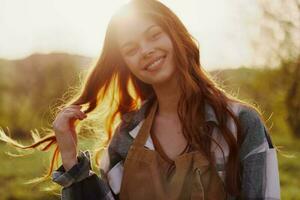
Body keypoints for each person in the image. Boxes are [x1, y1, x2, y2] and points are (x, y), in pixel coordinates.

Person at [1, 0, 281, 199]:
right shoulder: (126, 135)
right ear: (126, 64)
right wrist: (71, 156)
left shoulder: (239, 125)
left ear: (176, 35)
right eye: (131, 49)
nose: (146, 51)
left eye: (154, 35)